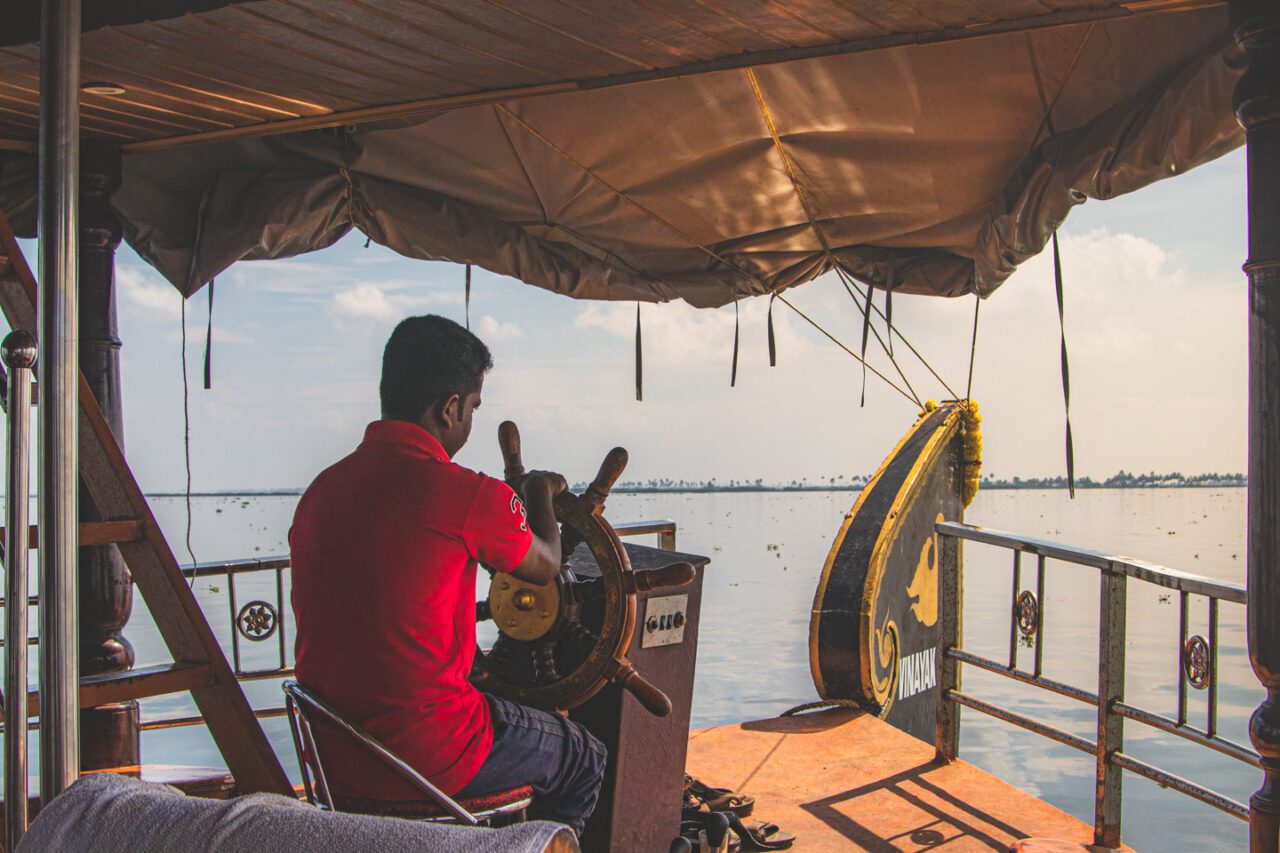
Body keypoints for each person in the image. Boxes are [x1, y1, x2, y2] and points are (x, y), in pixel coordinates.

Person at [289, 314, 606, 834]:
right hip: (431, 759)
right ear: (451, 407)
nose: (470, 420)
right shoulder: (464, 494)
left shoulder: (320, 494)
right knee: (582, 758)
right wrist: (538, 496)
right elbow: (546, 564)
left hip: (332, 761)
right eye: (474, 408)